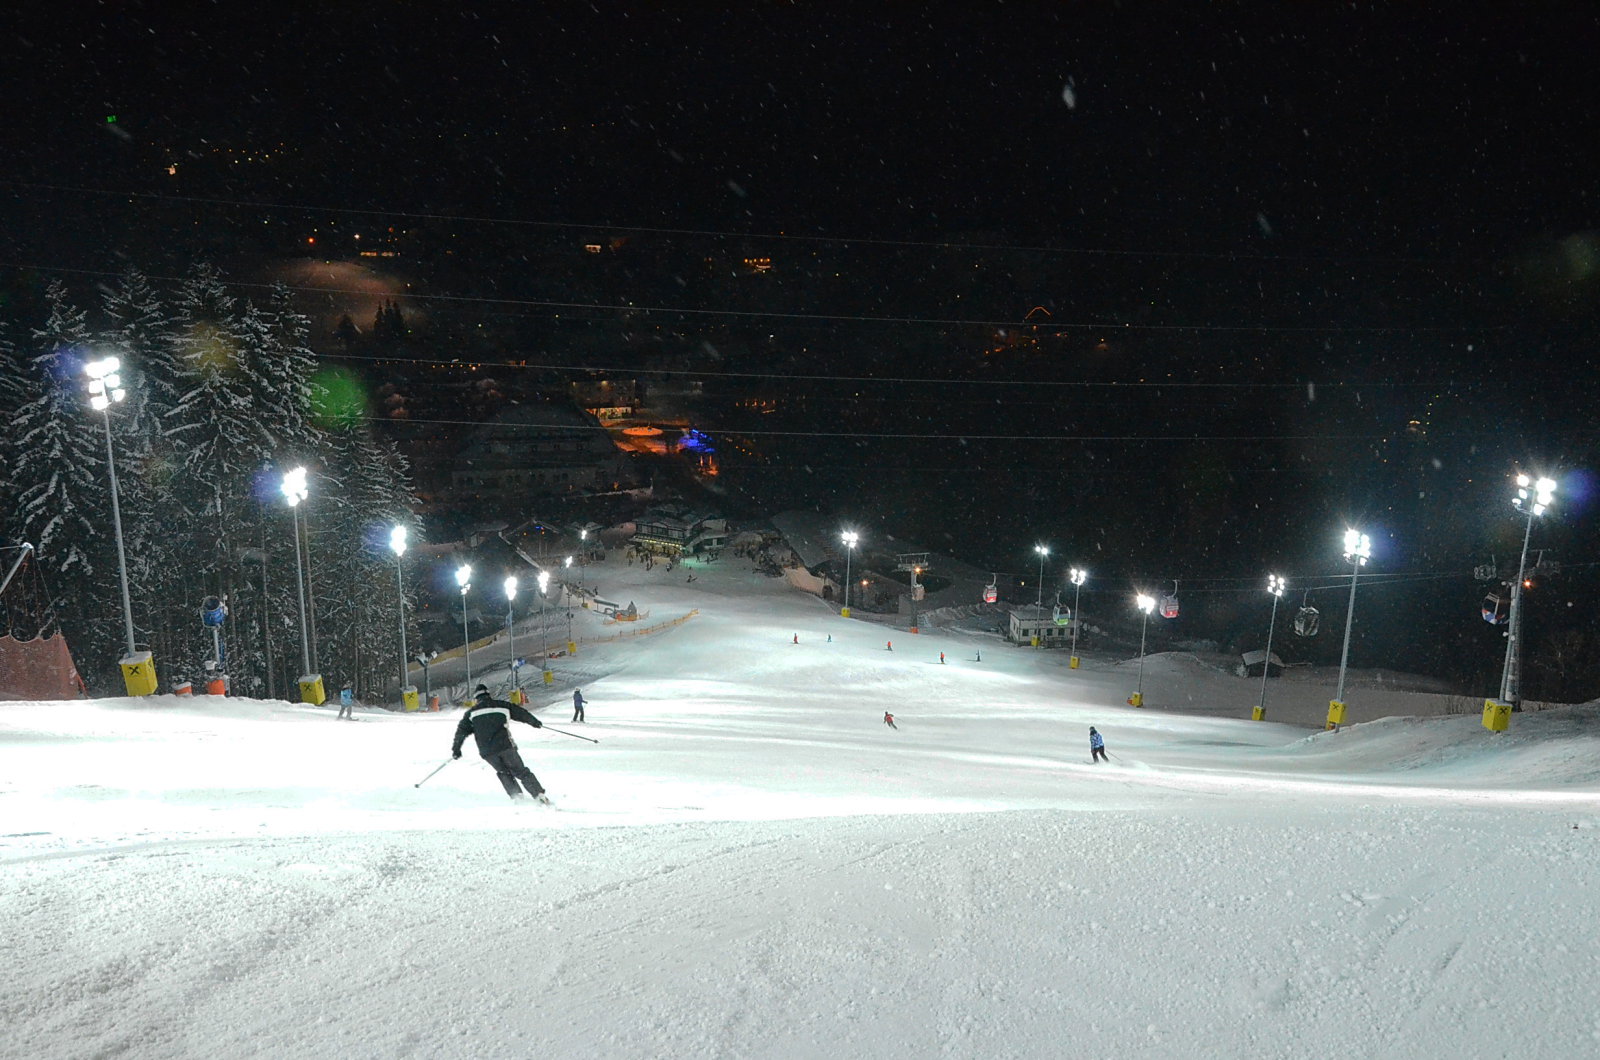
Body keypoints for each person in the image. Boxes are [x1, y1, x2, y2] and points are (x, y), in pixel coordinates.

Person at [452, 684, 548, 801]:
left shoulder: (471, 713)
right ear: (488, 695)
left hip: (487, 751)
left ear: (476, 698)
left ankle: (516, 796)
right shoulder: (502, 706)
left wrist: (456, 749)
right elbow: (521, 713)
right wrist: (535, 722)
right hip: (505, 746)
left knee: (503, 772)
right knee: (520, 771)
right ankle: (539, 795)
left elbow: (460, 732)